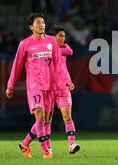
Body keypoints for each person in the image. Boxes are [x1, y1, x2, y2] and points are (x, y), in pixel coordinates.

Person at [6, 13, 69, 159]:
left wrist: (66, 80)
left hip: (50, 85)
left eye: (43, 22)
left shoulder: (51, 42)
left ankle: (25, 143)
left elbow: (59, 63)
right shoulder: (25, 44)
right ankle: (45, 151)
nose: (41, 25)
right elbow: (17, 66)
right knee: (39, 116)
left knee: (46, 120)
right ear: (31, 27)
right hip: (34, 85)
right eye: (38, 22)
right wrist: (10, 86)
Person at [20, 24, 80, 155]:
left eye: (64, 36)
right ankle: (32, 144)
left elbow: (69, 51)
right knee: (46, 120)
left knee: (67, 116)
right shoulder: (43, 49)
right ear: (52, 37)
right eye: (60, 36)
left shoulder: (62, 48)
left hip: (62, 88)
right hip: (49, 88)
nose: (63, 39)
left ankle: (71, 144)